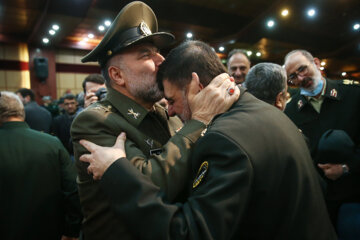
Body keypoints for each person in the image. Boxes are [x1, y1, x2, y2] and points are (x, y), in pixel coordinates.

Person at [80, 40, 337, 240]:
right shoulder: (264, 110)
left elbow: (189, 233)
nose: (169, 110)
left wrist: (116, 171)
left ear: (197, 87)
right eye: (147, 55)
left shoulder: (225, 139)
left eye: (171, 100)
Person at [70, 2, 238, 240]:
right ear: (117, 75)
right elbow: (148, 187)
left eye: (158, 52)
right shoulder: (94, 121)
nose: (162, 60)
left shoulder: (160, 111)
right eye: (146, 55)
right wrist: (198, 121)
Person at [283, 49, 360, 227]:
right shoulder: (291, 112)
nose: (301, 78)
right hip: (320, 200)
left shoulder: (353, 94)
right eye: (293, 77)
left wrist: (346, 167)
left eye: (302, 69)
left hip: (355, 191)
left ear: (316, 63)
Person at [0, 91, 82, 240]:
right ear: (22, 112)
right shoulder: (52, 143)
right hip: (50, 231)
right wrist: (72, 230)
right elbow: (72, 189)